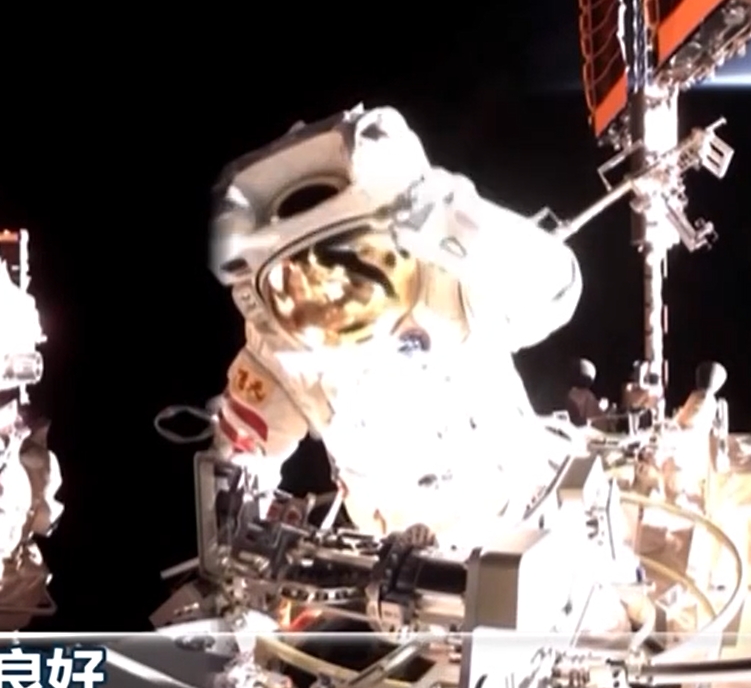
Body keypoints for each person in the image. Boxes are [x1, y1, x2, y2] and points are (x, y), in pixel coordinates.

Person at [204, 106, 585, 551]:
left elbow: (554, 290)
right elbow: (243, 450)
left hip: (522, 520)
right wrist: (235, 533)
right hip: (394, 563)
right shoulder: (283, 353)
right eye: (299, 282)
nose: (330, 294)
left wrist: (454, 221)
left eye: (352, 266)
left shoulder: (450, 285)